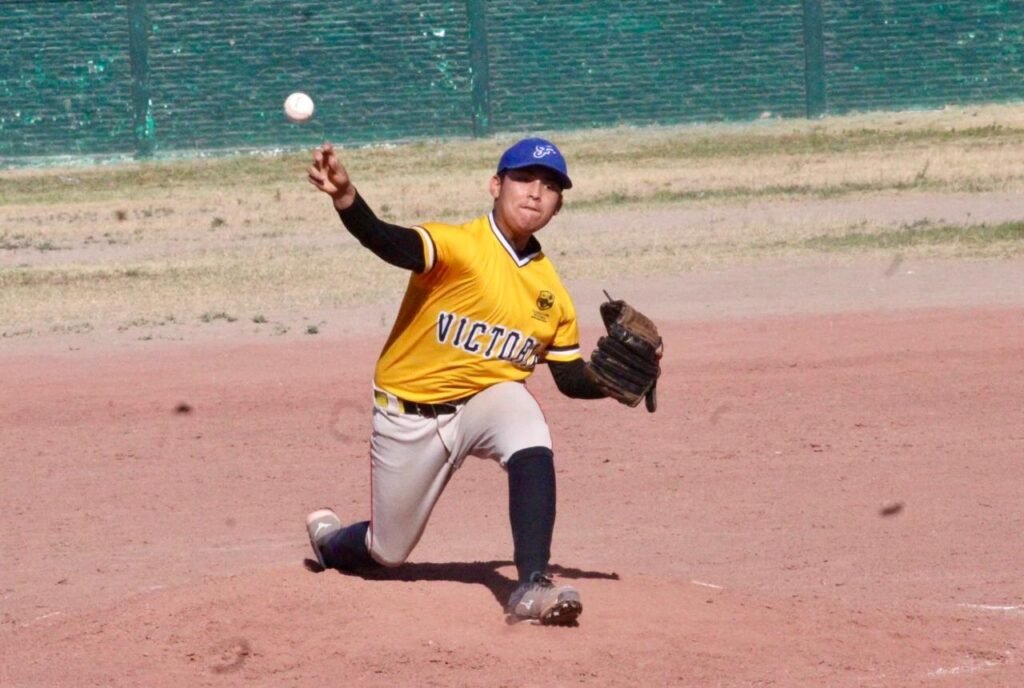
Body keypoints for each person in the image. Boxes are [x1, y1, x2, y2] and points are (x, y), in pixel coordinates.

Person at [304, 136, 611, 626]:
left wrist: (617, 381)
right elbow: (388, 241)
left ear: (558, 205)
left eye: (550, 186)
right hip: (409, 416)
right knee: (387, 550)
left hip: (483, 406)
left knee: (523, 417)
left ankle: (533, 584)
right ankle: (331, 544)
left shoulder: (551, 293)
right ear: (495, 185)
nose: (535, 191)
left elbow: (571, 377)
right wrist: (346, 197)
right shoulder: (459, 246)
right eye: (523, 178)